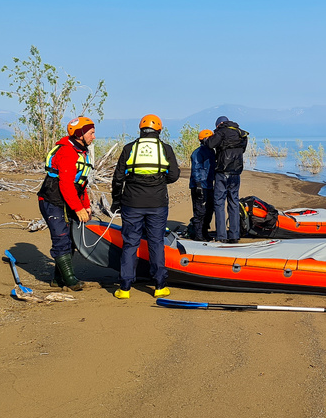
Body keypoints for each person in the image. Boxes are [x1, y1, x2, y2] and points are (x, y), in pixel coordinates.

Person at [110, 114, 180, 299]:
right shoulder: (165, 148)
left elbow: (118, 178)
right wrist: (158, 180)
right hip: (157, 203)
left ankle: (124, 288)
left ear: (141, 129)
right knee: (156, 242)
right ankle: (159, 286)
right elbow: (173, 175)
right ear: (159, 130)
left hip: (131, 203)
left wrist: (116, 201)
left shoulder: (129, 148)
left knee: (130, 243)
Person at [37, 115, 96, 290]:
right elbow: (65, 184)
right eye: (91, 133)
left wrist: (85, 205)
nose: (93, 137)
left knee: (71, 239)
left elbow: (81, 183)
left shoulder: (81, 152)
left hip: (68, 200)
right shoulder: (66, 152)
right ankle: (70, 279)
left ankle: (58, 279)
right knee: (61, 239)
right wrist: (78, 208)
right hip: (51, 200)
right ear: (80, 134)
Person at [203, 115, 249, 243]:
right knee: (234, 202)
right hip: (236, 172)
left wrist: (206, 140)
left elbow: (211, 144)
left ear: (218, 124)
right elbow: (242, 150)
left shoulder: (221, 131)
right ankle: (234, 235)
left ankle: (221, 236)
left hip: (222, 171)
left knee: (219, 203)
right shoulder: (240, 133)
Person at [187, 128, 215, 240]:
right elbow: (196, 169)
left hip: (208, 185)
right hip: (199, 185)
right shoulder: (197, 152)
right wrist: (198, 184)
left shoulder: (211, 152)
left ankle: (204, 232)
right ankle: (198, 235)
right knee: (200, 211)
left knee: (209, 209)